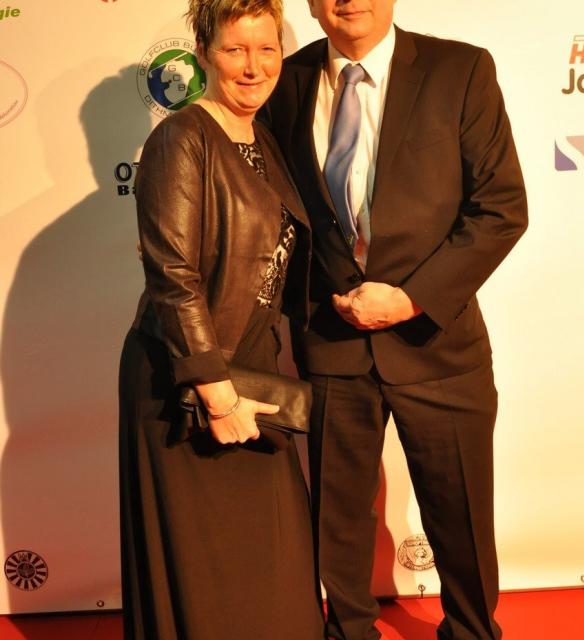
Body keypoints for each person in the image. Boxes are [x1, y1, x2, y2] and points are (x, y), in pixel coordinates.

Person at [262, 1, 528, 639]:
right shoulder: (283, 82)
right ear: (310, 4)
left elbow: (501, 208)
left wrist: (411, 300)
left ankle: (471, 630)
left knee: (460, 515)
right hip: (331, 341)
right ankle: (349, 632)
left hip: (438, 342)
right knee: (337, 521)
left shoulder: (460, 70)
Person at [118, 1, 323, 638]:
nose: (253, 66)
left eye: (267, 48)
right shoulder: (182, 138)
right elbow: (173, 275)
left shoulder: (262, 137)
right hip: (189, 378)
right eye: (235, 49)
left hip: (251, 369)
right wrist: (215, 391)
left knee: (269, 562)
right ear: (204, 53)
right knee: (206, 570)